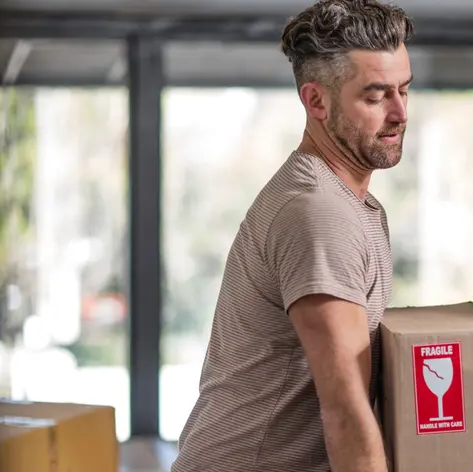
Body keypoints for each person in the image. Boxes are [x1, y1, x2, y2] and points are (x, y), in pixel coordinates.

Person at [170, 1, 414, 471]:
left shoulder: (354, 205)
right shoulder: (319, 214)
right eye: (376, 96)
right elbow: (347, 411)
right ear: (316, 101)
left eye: (405, 90)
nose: (400, 112)